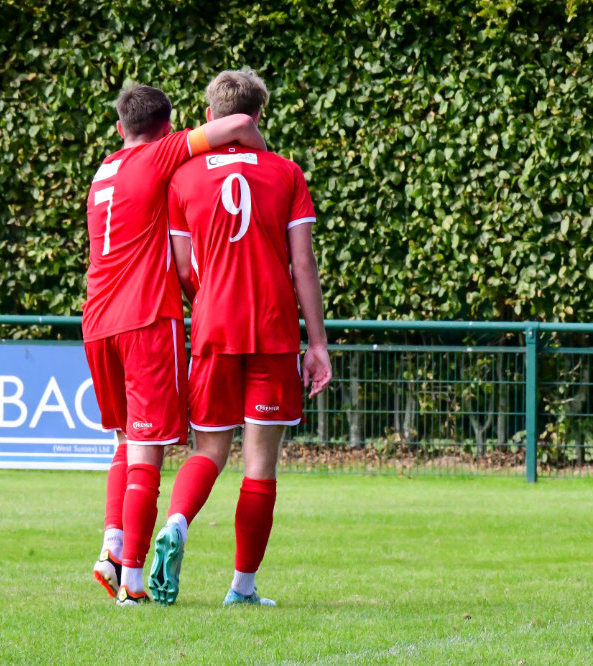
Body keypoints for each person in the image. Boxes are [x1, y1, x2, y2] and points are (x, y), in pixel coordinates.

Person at [147, 69, 332, 607]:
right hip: (273, 330)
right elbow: (303, 264)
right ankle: (242, 588)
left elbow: (184, 268)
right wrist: (317, 344)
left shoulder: (183, 178)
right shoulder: (286, 173)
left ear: (210, 117)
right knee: (259, 463)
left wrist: (210, 302)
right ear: (258, 117)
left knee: (208, 449)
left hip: (213, 328)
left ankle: (176, 524)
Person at [84, 84, 266, 605]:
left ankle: (112, 546)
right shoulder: (159, 155)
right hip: (144, 319)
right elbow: (236, 125)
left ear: (119, 127)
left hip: (97, 321)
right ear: (167, 128)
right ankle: (133, 584)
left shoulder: (102, 172)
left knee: (125, 440)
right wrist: (263, 160)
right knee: (148, 452)